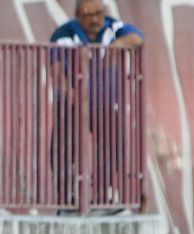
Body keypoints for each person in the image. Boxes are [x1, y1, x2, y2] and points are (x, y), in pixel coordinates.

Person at [49, 0, 144, 210]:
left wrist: (118, 45)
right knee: (64, 150)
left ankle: (101, 195)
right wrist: (71, 95)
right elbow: (56, 71)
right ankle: (66, 197)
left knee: (112, 149)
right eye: (88, 15)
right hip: (72, 104)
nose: (95, 20)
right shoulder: (64, 34)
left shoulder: (113, 27)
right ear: (77, 16)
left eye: (98, 14)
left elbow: (137, 38)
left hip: (105, 104)